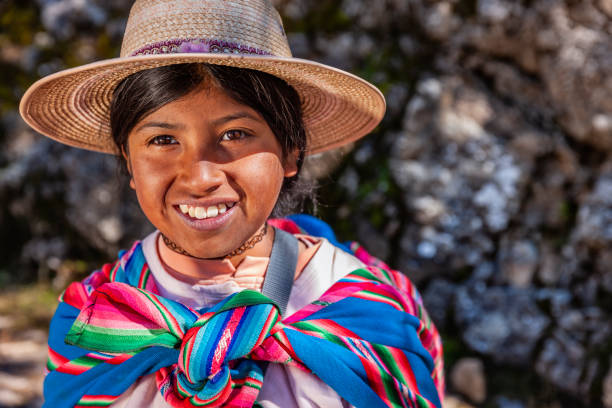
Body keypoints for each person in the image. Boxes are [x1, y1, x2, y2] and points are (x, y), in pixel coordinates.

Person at [19, 0, 444, 407]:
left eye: (235, 134)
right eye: (163, 140)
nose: (201, 177)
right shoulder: (92, 317)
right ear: (130, 163)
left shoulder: (368, 314)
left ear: (291, 151)